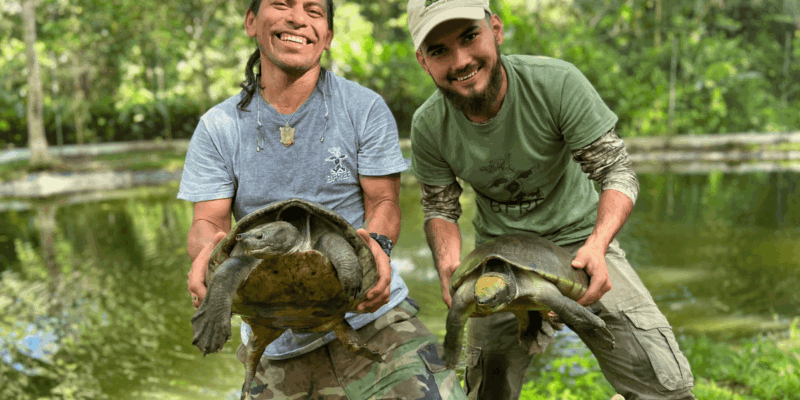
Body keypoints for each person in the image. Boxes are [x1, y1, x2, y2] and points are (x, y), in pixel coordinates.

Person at [406, 0, 695, 399]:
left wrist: (598, 245)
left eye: (470, 37)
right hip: (499, 259)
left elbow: (617, 172)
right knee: (485, 391)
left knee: (665, 387)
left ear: (496, 29)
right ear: (423, 61)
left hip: (580, 244)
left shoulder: (555, 83)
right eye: (439, 50)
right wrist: (449, 266)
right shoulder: (427, 125)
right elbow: (440, 207)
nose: (461, 60)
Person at [178, 0, 467, 398]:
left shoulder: (363, 107)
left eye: (314, 10)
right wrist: (204, 259)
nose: (298, 18)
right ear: (250, 22)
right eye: (281, 4)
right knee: (231, 269)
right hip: (273, 332)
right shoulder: (219, 127)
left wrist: (377, 247)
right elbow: (208, 223)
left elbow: (384, 202)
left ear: (328, 36)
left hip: (374, 319)